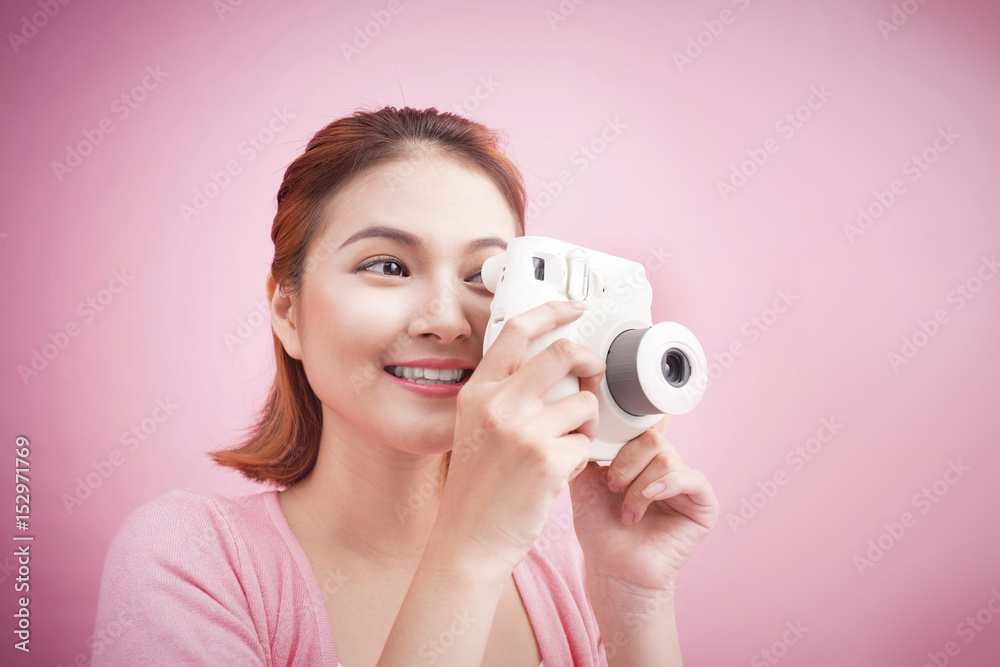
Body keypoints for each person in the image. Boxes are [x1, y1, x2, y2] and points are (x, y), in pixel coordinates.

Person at [92, 106, 719, 666]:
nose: (446, 320)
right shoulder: (191, 561)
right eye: (388, 267)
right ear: (289, 312)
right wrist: (470, 552)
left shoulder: (562, 568)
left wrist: (632, 600)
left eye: (486, 275)